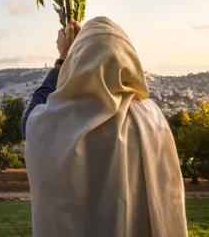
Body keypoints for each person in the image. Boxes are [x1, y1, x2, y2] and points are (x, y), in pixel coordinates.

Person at [22, 16, 187, 237]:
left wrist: (62, 59)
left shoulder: (55, 121)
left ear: (77, 63)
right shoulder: (152, 119)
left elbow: (28, 122)